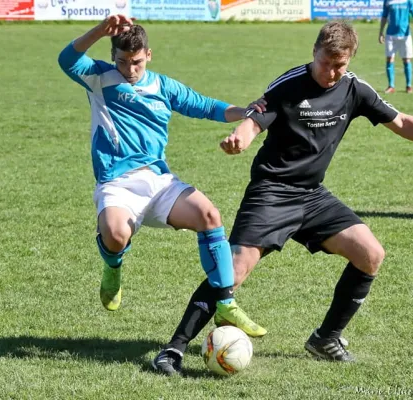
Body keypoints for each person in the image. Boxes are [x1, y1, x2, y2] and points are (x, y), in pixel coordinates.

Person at [153, 20, 413, 375]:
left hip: (311, 196)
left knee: (370, 254)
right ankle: (173, 349)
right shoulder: (289, 85)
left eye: (340, 65)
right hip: (271, 193)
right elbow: (255, 118)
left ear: (350, 59)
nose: (331, 72)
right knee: (230, 273)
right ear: (314, 52)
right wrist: (241, 138)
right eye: (326, 63)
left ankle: (326, 338)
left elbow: (399, 121)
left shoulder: (354, 89)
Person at [57, 14, 267, 358]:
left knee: (209, 214)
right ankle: (113, 268)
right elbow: (66, 59)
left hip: (158, 181)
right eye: (122, 61)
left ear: (149, 55)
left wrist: (248, 113)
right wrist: (101, 30)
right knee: (115, 234)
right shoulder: (98, 78)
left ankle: (226, 301)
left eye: (136, 62)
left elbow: (206, 107)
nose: (129, 69)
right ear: (114, 57)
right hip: (117, 183)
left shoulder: (163, 86)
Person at [379, 0, 413, 94]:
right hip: (390, 35)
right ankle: (391, 86)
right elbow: (384, 16)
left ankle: (409, 86)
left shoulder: (408, 1)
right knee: (389, 59)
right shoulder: (388, 1)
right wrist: (381, 32)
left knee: (406, 60)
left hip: (405, 35)